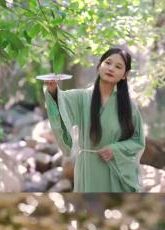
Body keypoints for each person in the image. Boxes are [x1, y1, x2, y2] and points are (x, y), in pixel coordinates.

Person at [43, 47, 145, 192]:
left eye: (118, 66)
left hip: (116, 170)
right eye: (108, 63)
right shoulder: (82, 97)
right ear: (99, 66)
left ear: (124, 75)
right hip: (88, 167)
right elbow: (60, 103)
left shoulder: (128, 107)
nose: (111, 68)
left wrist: (115, 149)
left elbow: (137, 141)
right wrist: (53, 91)